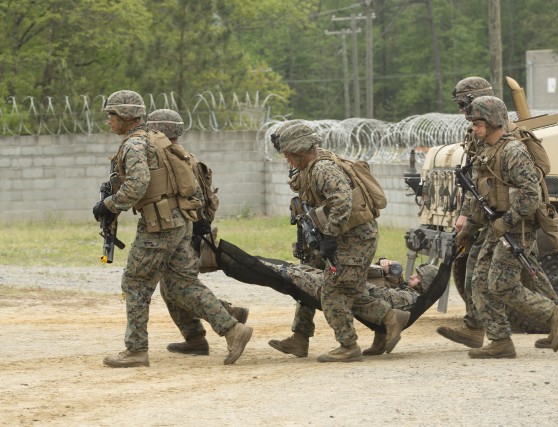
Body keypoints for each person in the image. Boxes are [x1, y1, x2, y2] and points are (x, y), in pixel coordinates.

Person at [94, 91, 252, 367]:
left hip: (158, 225)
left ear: (125, 116)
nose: (109, 121)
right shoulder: (158, 140)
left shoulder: (134, 145)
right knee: (182, 284)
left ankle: (136, 350)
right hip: (180, 222)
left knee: (136, 283)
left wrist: (109, 205)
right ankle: (233, 328)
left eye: (112, 115)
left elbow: (137, 184)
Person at [437, 77, 558, 350]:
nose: (463, 113)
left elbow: (527, 189)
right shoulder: (482, 135)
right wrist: (470, 219)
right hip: (495, 217)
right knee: (485, 272)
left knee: (519, 275)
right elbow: (480, 181)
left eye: (464, 105)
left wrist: (508, 219)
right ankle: (485, 330)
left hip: (515, 219)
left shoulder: (509, 141)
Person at [271, 122, 408, 363]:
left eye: (290, 157)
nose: (289, 162)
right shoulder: (312, 166)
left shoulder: (324, 169)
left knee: (333, 291)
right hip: (350, 236)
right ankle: (389, 318)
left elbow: (343, 201)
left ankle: (349, 346)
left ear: (302, 152)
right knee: (349, 289)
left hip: (355, 238)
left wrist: (331, 236)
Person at [146, 108, 249, 356]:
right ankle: (196, 337)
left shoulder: (173, 159)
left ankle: (225, 320)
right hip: (188, 229)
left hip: (182, 230)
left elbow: (193, 198)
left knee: (180, 287)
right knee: (172, 286)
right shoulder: (185, 156)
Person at [260, 258, 438, 356]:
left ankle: (265, 267)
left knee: (297, 276)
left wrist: (352, 281)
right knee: (305, 276)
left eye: (418, 277)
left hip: (354, 293)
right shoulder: (406, 290)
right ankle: (300, 337)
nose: (413, 277)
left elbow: (382, 295)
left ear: (425, 285)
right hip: (358, 291)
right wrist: (386, 269)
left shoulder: (409, 297)